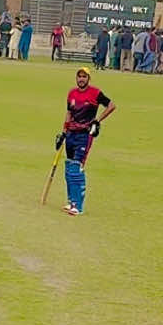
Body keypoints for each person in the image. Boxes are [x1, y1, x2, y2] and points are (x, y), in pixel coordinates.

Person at [59, 66, 117, 217]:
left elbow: (111, 106)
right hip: (71, 133)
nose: (81, 79)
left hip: (84, 135)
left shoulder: (95, 93)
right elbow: (69, 113)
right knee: (69, 167)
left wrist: (97, 120)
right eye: (79, 76)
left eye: (84, 77)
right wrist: (63, 133)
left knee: (77, 168)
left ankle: (78, 205)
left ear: (88, 78)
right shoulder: (72, 93)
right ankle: (71, 201)